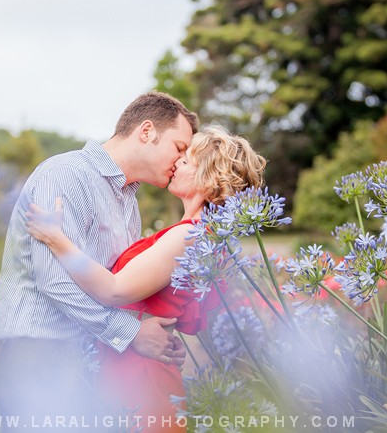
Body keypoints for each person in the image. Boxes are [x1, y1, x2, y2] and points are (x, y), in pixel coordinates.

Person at [25, 127, 266, 433]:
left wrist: (56, 239)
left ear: (208, 179)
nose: (177, 163)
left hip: (140, 371)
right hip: (138, 359)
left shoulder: (187, 236)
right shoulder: (201, 235)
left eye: (188, 160)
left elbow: (113, 291)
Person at [0, 92, 198, 427]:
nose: (180, 160)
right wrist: (133, 334)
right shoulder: (65, 175)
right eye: (179, 147)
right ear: (147, 131)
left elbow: (114, 284)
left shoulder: (127, 200)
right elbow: (54, 280)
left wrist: (158, 339)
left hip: (86, 358)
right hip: (38, 354)